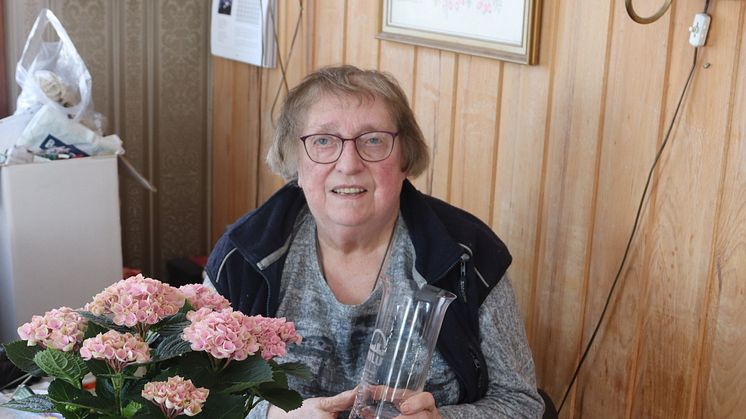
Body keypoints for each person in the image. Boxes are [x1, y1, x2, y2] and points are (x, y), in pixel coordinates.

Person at [204, 65, 544, 418]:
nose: (349, 164)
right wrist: (274, 417)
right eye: (323, 140)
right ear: (294, 161)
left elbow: (521, 403)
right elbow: (196, 396)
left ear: (405, 158)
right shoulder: (243, 254)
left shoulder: (468, 255)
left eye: (373, 140)